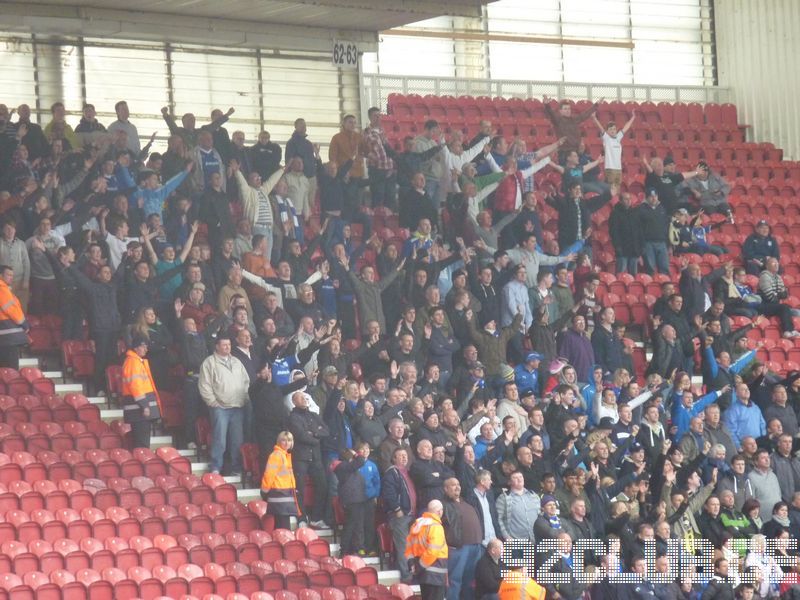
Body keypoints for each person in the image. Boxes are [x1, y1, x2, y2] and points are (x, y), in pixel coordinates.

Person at [198, 335, 250, 476]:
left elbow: (246, 381)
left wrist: (244, 398)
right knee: (219, 438)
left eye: (229, 344)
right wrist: (212, 402)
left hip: (238, 406)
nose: (228, 347)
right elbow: (204, 385)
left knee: (237, 440)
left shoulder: (237, 362)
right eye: (224, 344)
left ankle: (236, 468)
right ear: (217, 346)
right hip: (220, 407)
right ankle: (215, 467)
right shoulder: (209, 363)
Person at [382, 446, 416, 583]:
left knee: (411, 546)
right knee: (404, 547)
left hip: (410, 514)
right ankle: (407, 576)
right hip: (400, 516)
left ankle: (412, 572)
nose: (404, 457)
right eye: (400, 455)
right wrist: (397, 510)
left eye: (405, 455)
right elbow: (388, 493)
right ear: (394, 458)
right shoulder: (392, 472)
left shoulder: (407, 472)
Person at [120, 335, 161, 449]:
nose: (146, 349)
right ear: (136, 348)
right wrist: (144, 405)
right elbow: (136, 386)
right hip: (138, 411)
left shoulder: (136, 362)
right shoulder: (133, 362)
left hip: (138, 411)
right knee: (142, 445)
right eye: (143, 346)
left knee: (141, 443)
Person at [406, 499, 449, 600]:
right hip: (435, 574)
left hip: (423, 575)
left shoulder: (417, 524)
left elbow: (409, 547)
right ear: (439, 512)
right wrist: (421, 565)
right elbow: (433, 551)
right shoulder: (436, 526)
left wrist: (413, 564)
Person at [260, 431, 300, 531]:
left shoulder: (284, 455)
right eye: (284, 440)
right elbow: (269, 475)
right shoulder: (277, 455)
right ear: (279, 441)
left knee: (281, 527)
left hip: (284, 496)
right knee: (283, 529)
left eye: (289, 440)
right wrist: (264, 491)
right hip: (280, 496)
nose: (287, 443)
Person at [590, 111, 636, 186]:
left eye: (614, 129)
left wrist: (633, 118)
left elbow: (626, 127)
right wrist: (595, 118)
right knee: (611, 191)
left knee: (617, 191)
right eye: (610, 129)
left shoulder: (618, 137)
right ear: (607, 131)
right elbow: (601, 128)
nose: (613, 131)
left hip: (619, 169)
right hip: (610, 169)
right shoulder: (607, 139)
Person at [0, 265, 29, 369]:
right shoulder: (2, 289)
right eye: (8, 275)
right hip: (8, 337)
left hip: (6, 337)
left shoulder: (6, 289)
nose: (11, 277)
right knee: (11, 371)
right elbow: (11, 310)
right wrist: (23, 323)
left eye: (12, 275)